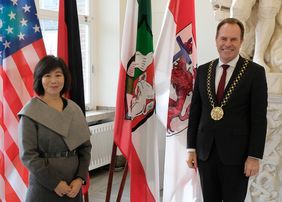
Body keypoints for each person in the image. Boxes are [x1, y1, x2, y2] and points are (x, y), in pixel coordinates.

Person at [186, 18, 268, 202]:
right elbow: (195, 113)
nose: (227, 44)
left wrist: (254, 156)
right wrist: (191, 148)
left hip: (238, 156)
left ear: (241, 41)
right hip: (205, 153)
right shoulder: (203, 70)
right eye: (223, 39)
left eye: (233, 39)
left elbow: (259, 119)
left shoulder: (255, 73)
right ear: (216, 40)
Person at [18, 55, 92, 202]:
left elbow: (85, 148)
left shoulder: (74, 109)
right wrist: (55, 184)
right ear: (40, 79)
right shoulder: (30, 112)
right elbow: (28, 155)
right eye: (47, 75)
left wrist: (79, 179)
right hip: (43, 186)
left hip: (73, 187)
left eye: (58, 75)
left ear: (65, 78)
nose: (54, 80)